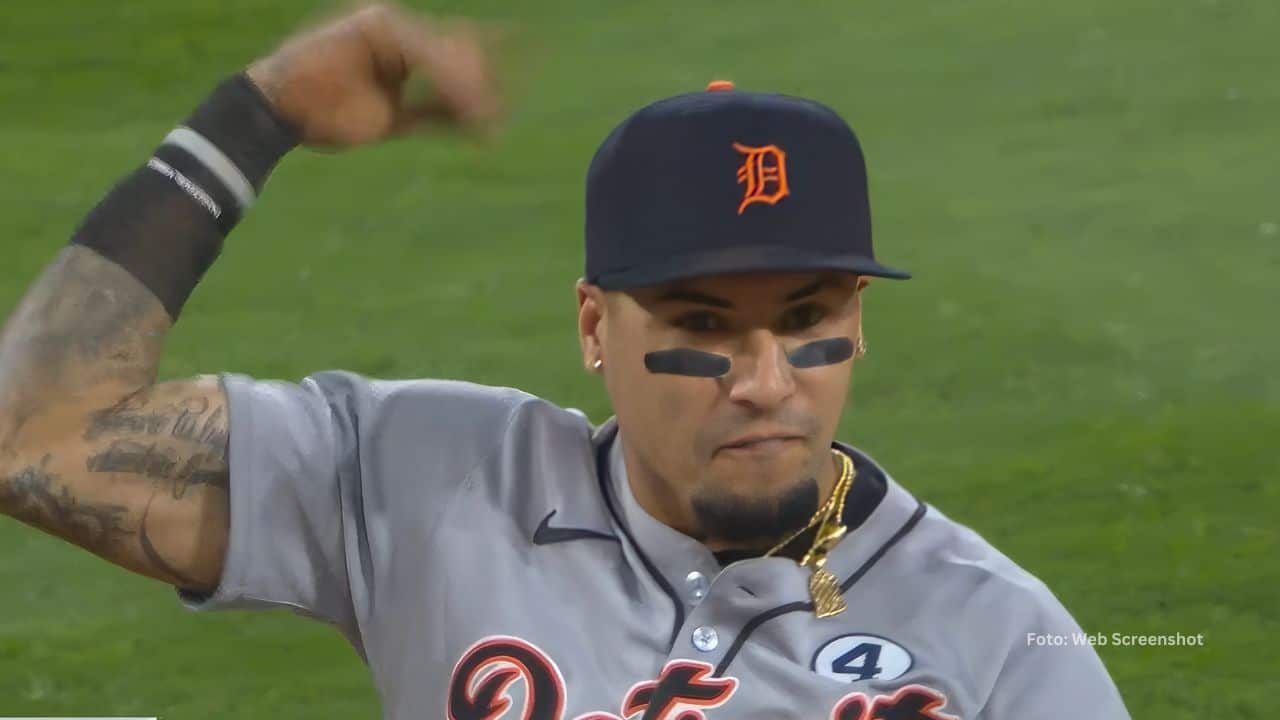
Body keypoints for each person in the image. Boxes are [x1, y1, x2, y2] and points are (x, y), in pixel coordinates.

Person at [0, 4, 1131, 718]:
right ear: (593, 328)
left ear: (859, 319)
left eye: (805, 318)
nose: (765, 381)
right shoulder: (427, 484)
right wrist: (256, 118)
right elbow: (33, 435)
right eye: (700, 325)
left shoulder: (997, 642)